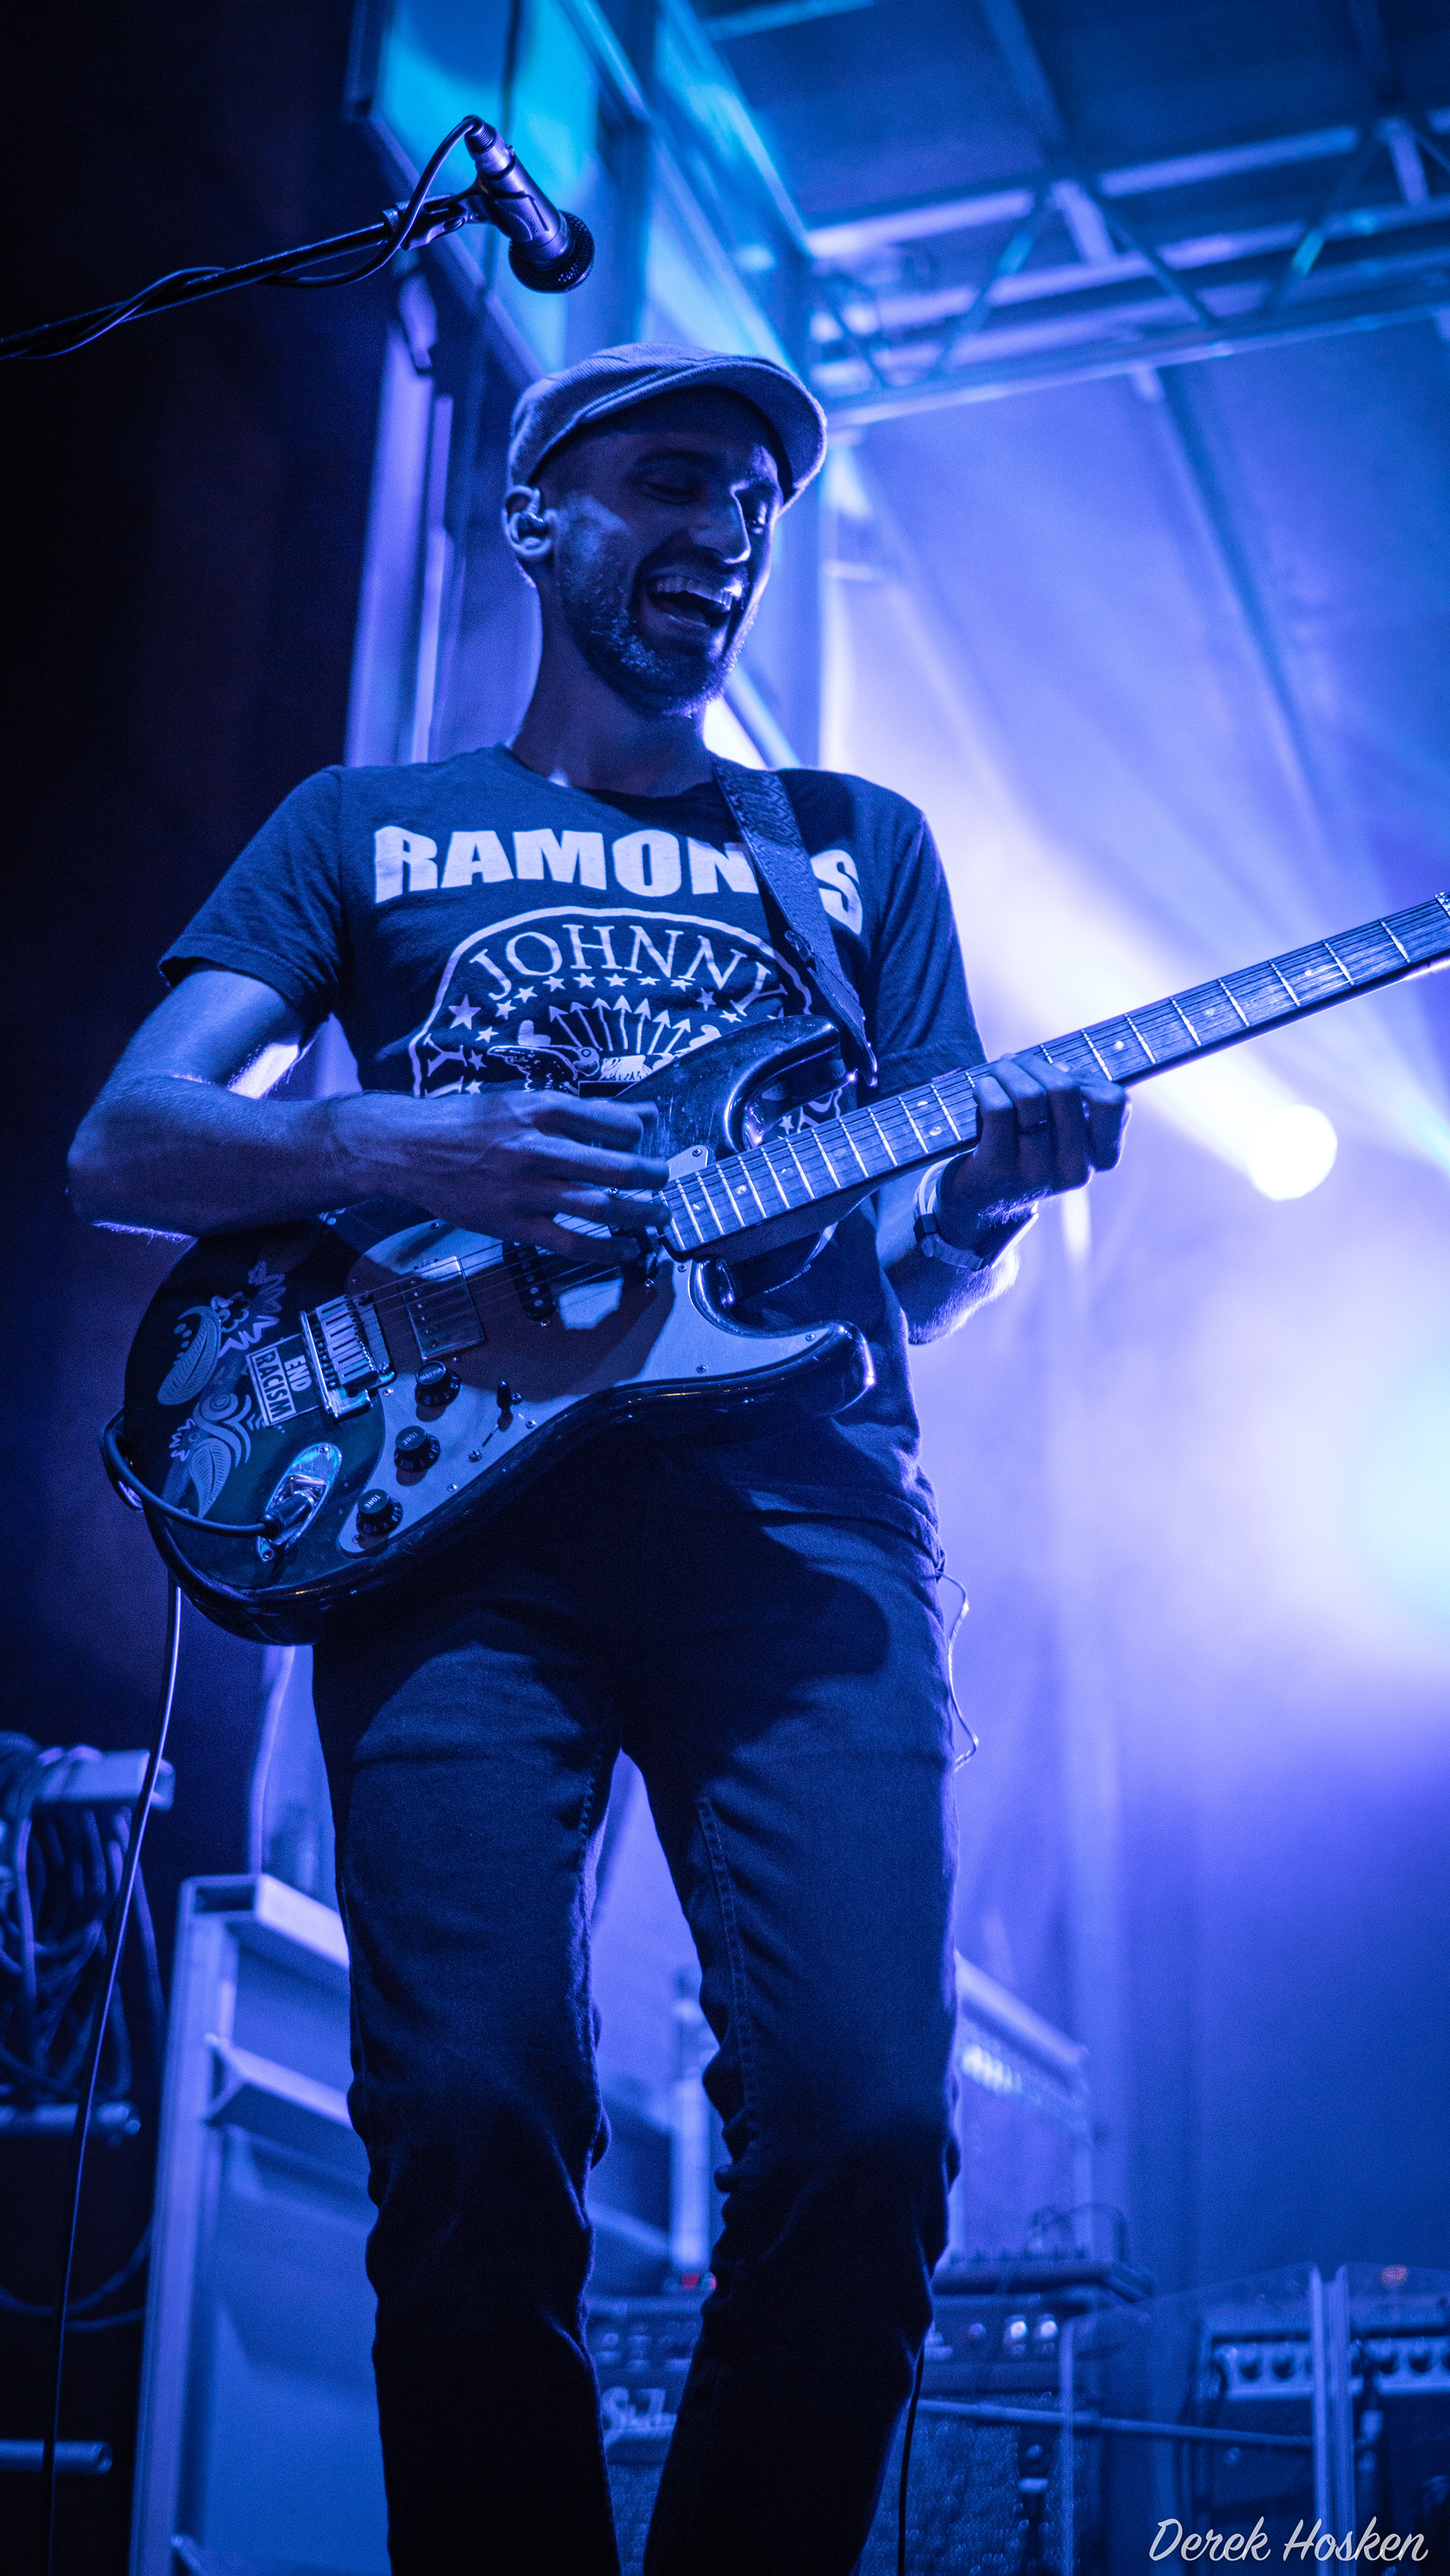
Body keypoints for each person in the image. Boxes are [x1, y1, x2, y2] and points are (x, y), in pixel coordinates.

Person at [69, 342, 1127, 2573]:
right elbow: (126, 1141)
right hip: (459, 1547)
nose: (721, 534)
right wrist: (392, 1134)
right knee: (466, 2124)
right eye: (670, 482)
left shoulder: (853, 847)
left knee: (866, 2131)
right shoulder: (368, 825)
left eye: (752, 506)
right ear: (539, 517)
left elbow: (909, 1283)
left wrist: (990, 1206)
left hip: (803, 1529)